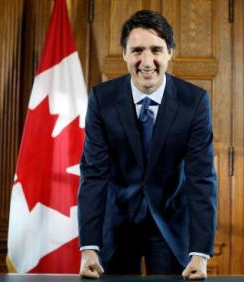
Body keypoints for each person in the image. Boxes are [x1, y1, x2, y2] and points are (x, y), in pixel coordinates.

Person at [78, 9, 217, 280]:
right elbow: (94, 174)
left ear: (169, 53)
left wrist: (200, 253)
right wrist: (89, 246)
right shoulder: (101, 100)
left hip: (170, 225)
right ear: (125, 54)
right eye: (137, 50)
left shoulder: (195, 102)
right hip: (116, 224)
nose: (147, 61)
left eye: (156, 50)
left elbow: (201, 179)